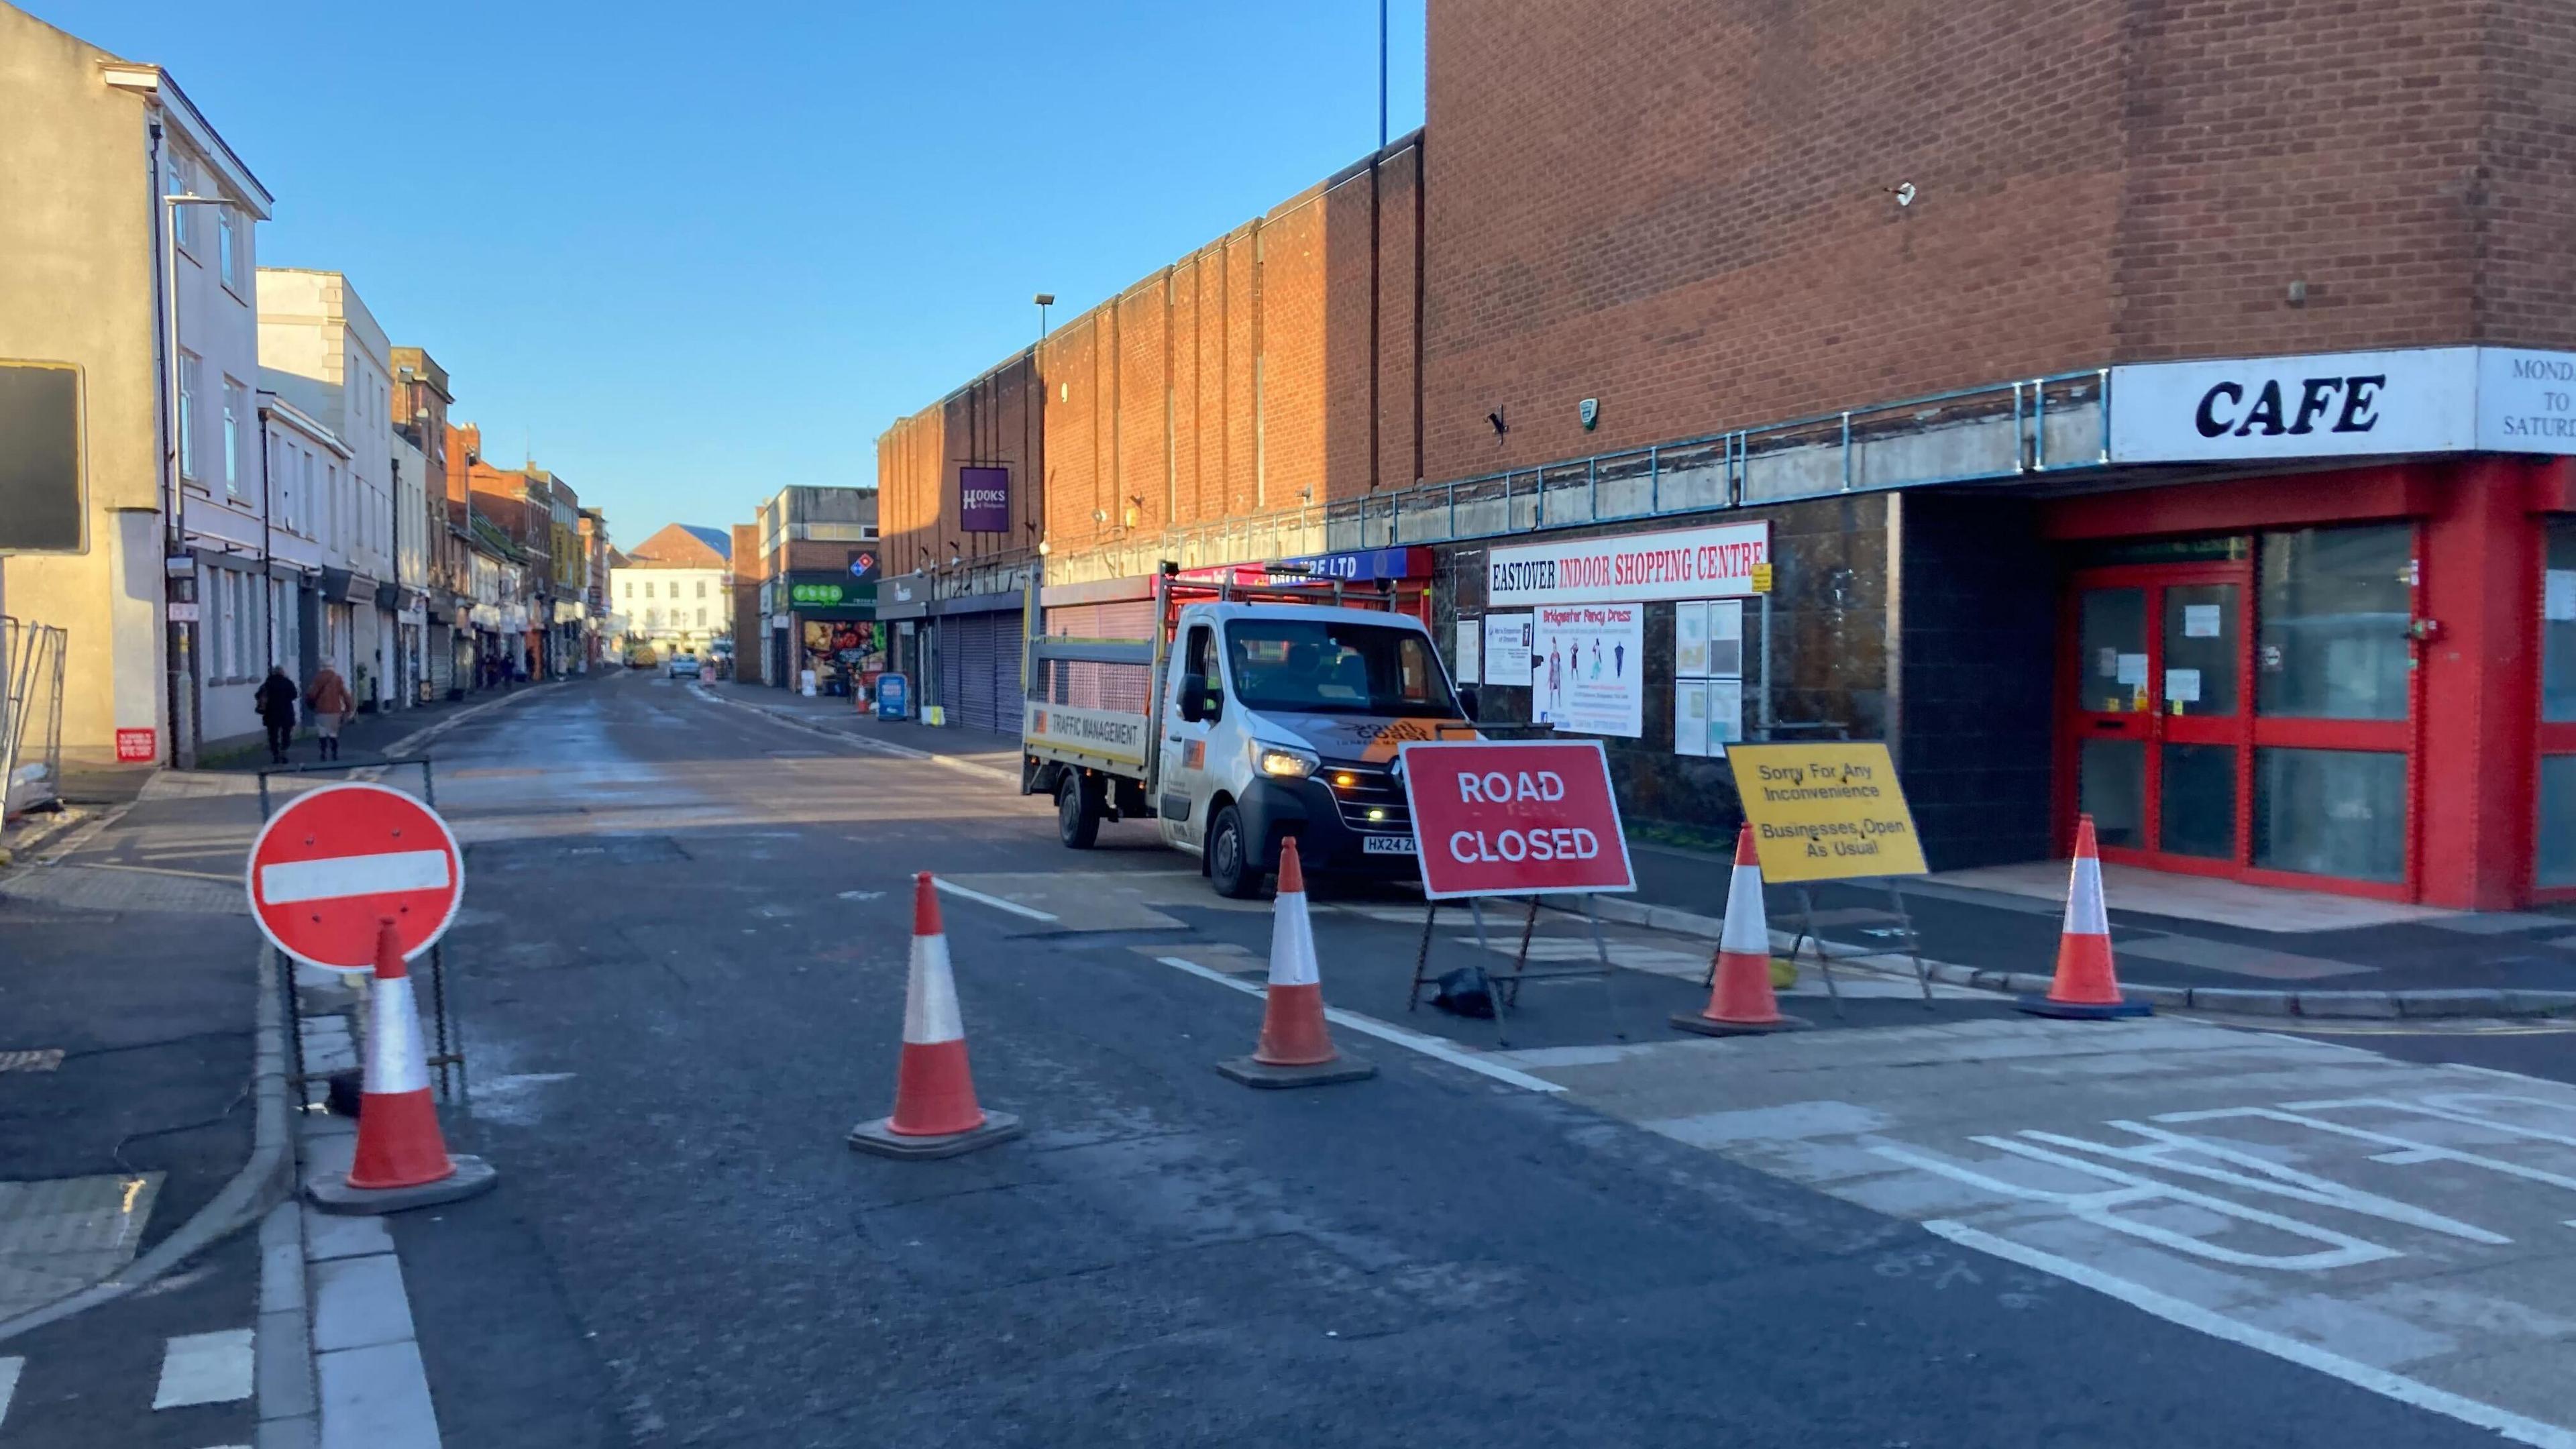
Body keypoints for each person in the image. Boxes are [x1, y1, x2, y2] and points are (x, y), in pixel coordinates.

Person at [305, 663, 354, 762]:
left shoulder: (318, 679)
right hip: (335, 710)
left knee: (322, 732)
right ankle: (334, 753)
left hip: (321, 710)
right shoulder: (337, 679)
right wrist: (349, 708)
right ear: (332, 668)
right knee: (333, 733)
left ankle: (323, 753)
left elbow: (312, 695)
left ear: (322, 668)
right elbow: (345, 695)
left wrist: (311, 705)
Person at [254, 665, 299, 765]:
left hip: (271, 713)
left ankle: (275, 754)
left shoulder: (268, 683)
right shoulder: (288, 683)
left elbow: (257, 695)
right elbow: (294, 695)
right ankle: (284, 751)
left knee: (273, 735)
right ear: (282, 673)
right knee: (286, 733)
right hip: (286, 713)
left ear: (274, 673)